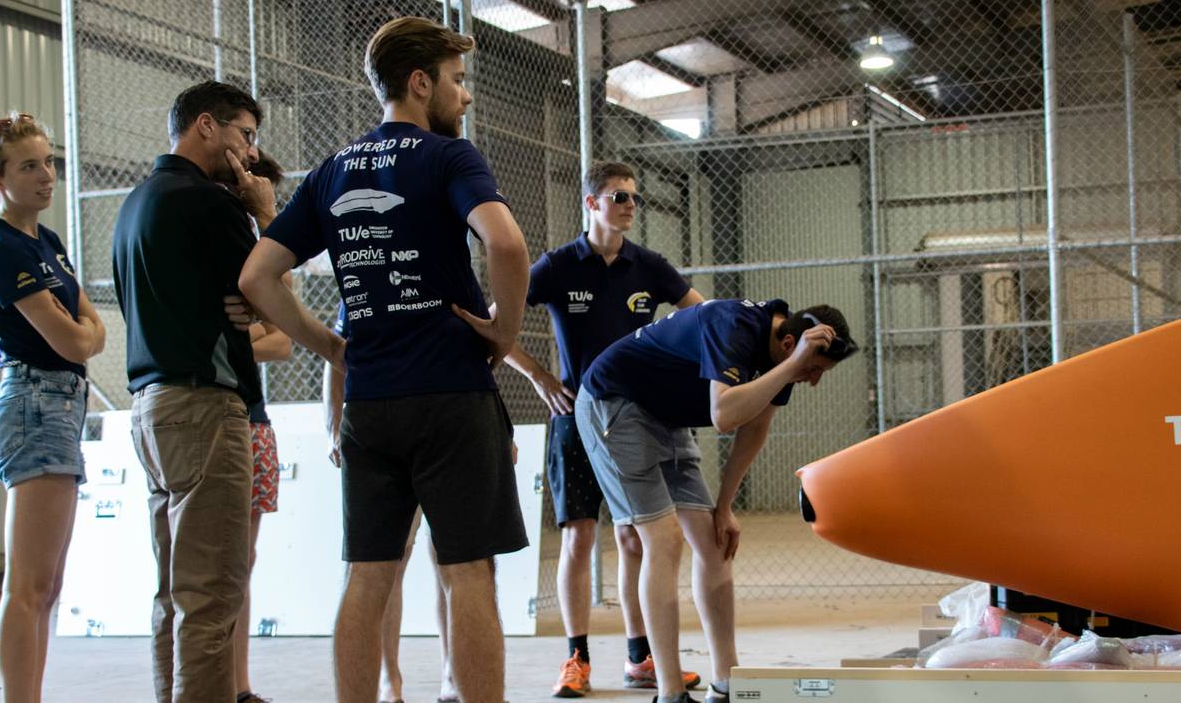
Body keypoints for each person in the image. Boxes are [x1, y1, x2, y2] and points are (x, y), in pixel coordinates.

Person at [239, 16, 530, 703]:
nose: (465, 98)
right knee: (468, 572)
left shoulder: (333, 170)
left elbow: (257, 277)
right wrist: (504, 332)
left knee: (367, 575)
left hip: (370, 401)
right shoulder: (449, 158)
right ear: (420, 82)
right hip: (452, 395)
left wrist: (331, 346)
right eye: (457, 82)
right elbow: (508, 246)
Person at [575, 299, 858, 703]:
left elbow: (755, 425)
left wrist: (724, 507)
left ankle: (725, 683)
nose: (811, 380)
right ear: (789, 342)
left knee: (715, 542)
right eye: (813, 370)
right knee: (664, 539)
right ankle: (670, 693)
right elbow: (724, 414)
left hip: (665, 416)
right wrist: (793, 367)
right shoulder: (734, 327)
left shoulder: (786, 359)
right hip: (614, 404)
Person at [501, 160, 704, 697]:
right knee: (578, 537)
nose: (630, 205)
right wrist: (541, 375)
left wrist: (677, 369)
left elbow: (700, 315)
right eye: (619, 197)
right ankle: (577, 658)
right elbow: (495, 321)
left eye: (634, 197)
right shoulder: (558, 266)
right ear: (591, 204)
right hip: (576, 417)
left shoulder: (648, 266)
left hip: (637, 419)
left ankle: (641, 659)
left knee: (635, 538)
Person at [112, 81, 275, 703]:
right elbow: (272, 288)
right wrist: (262, 212)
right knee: (211, 597)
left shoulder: (137, 202)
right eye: (245, 135)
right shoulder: (210, 203)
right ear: (206, 126)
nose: (251, 154)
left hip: (151, 412)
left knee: (173, 594)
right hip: (206, 409)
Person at [0, 111, 105, 703]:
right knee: (27, 586)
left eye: (49, 161)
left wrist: (83, 330)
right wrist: (82, 330)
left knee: (47, 586)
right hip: (35, 403)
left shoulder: (45, 242)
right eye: (29, 166)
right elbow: (76, 340)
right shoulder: (0, 245)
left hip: (61, 404)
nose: (46, 175)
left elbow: (96, 328)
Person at [321, 303, 456, 703]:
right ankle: (389, 681)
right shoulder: (363, 283)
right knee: (387, 564)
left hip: (447, 425)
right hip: (382, 426)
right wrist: (332, 427)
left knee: (453, 560)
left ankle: (452, 673)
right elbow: (336, 352)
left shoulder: (449, 278)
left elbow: (479, 356)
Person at [232, 150, 293, 703]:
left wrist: (242, 337)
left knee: (243, 563)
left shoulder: (259, 253)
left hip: (254, 418)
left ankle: (240, 684)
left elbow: (283, 339)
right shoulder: (217, 246)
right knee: (216, 564)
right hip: (214, 415)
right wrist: (252, 336)